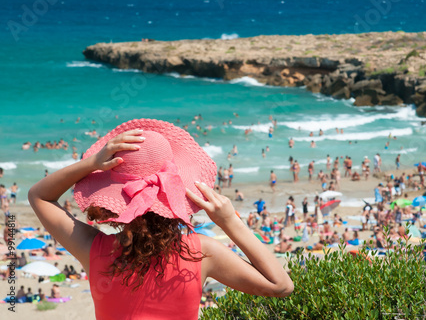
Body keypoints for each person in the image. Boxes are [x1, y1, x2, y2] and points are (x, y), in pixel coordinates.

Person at [28, 119, 293, 319]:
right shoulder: (202, 252)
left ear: (115, 202)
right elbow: (280, 286)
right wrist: (230, 222)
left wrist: (93, 163)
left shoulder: (93, 249)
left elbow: (39, 196)